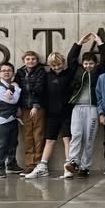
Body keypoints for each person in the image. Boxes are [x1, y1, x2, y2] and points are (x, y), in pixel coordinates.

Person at [23, 49, 76, 179]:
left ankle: (68, 166)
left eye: (59, 64)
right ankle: (42, 166)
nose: (57, 67)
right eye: (53, 65)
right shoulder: (47, 76)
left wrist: (79, 44)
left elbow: (73, 59)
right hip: (52, 113)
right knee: (49, 140)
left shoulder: (68, 74)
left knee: (67, 139)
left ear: (63, 63)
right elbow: (39, 92)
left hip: (66, 112)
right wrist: (36, 106)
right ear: (50, 66)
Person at [64, 32, 105, 179]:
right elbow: (71, 59)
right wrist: (79, 43)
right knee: (76, 135)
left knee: (89, 138)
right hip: (77, 108)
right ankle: (73, 162)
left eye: (91, 63)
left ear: (94, 64)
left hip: (92, 108)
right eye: (85, 63)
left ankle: (85, 167)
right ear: (82, 64)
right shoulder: (77, 71)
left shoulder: (98, 71)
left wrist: (100, 43)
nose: (88, 66)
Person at [14, 50, 47, 176]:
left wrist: (36, 105)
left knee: (38, 135)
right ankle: (29, 164)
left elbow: (40, 89)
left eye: (33, 59)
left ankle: (38, 164)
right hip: (24, 108)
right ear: (24, 61)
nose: (30, 61)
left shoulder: (41, 72)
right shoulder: (20, 72)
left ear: (37, 61)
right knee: (27, 136)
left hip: (37, 108)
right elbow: (17, 89)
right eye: (28, 59)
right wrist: (18, 107)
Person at [0, 63, 22, 178]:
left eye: (9, 70)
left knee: (13, 143)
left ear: (13, 73)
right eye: (4, 70)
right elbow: (12, 101)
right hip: (1, 120)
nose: (6, 72)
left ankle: (11, 164)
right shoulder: (0, 87)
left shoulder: (10, 86)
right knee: (2, 144)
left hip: (12, 118)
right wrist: (17, 88)